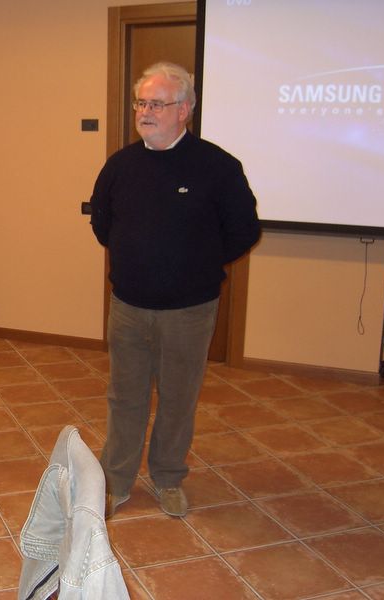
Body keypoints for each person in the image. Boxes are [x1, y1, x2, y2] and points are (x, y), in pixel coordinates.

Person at [89, 62, 261, 518]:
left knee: (178, 400)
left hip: (189, 310)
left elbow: (244, 230)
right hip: (128, 305)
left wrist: (197, 263)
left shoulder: (217, 167)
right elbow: (102, 222)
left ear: (184, 110)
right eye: (141, 103)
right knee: (124, 397)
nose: (145, 112)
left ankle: (167, 477)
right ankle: (116, 480)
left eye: (157, 104)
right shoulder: (120, 165)